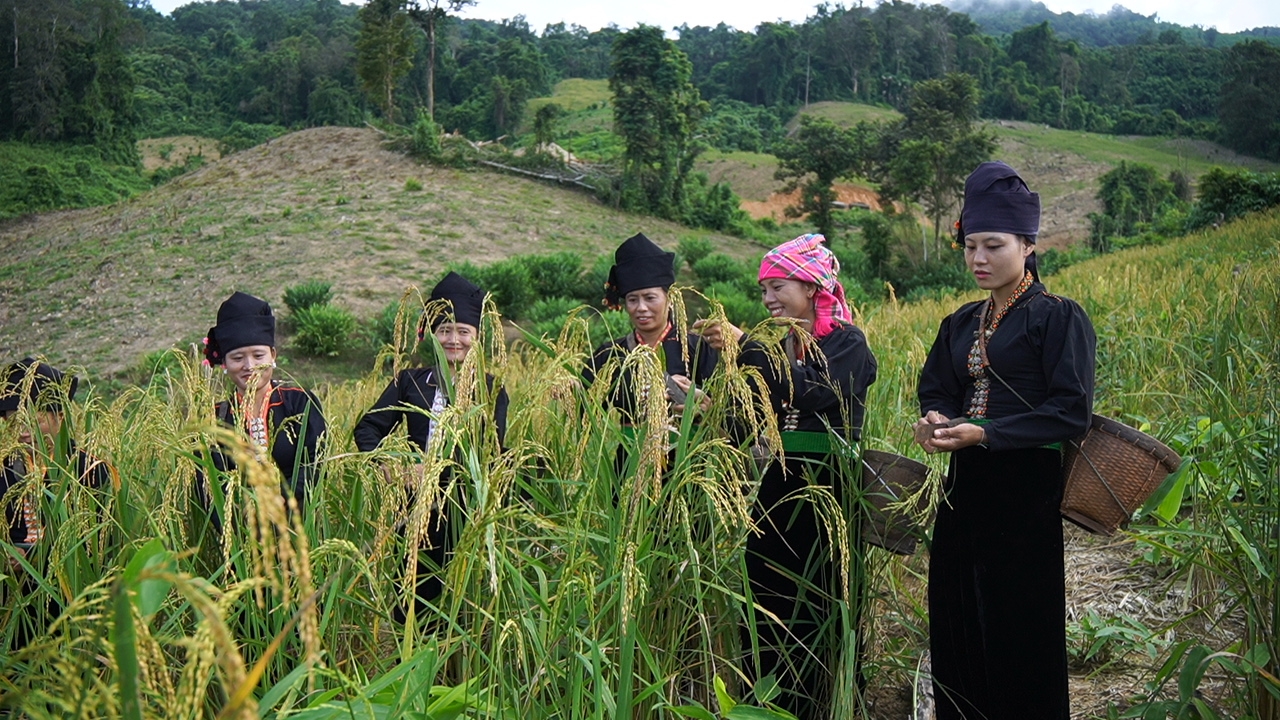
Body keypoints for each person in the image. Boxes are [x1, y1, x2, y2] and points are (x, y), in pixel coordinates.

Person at [914, 161, 1096, 720]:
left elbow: (1070, 411)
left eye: (993, 246)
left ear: (1029, 245)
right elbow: (936, 387)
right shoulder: (960, 322)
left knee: (1019, 624)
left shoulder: (1057, 317)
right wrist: (935, 423)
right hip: (963, 486)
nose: (979, 260)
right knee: (956, 615)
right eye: (971, 247)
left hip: (1024, 491)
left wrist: (987, 433)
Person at [697, 233, 878, 719]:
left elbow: (817, 394)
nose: (768, 300)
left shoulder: (848, 344)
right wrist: (712, 402)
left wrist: (749, 346)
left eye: (778, 287)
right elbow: (752, 418)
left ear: (813, 286)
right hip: (777, 487)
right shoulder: (780, 348)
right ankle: (771, 697)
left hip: (826, 488)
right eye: (764, 291)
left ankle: (824, 700)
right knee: (765, 591)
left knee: (820, 595)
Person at [353, 271, 508, 615]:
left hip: (467, 509)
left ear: (477, 337)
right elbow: (368, 428)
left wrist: (447, 471)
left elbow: (492, 450)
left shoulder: (491, 388)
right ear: (433, 336)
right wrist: (391, 464)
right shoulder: (410, 381)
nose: (454, 339)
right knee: (410, 598)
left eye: (463, 332)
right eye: (445, 331)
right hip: (412, 508)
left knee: (462, 600)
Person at [1, 358, 115, 646]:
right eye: (14, 419)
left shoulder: (91, 471)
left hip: (77, 600)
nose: (24, 430)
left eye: (35, 418)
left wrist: (44, 554)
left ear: (60, 416)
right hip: (16, 605)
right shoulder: (4, 471)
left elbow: (104, 541)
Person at [203, 292, 326, 509]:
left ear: (273, 355)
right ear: (224, 363)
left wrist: (282, 501)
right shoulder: (215, 417)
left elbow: (316, 461)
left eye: (258, 356)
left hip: (300, 524)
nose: (249, 366)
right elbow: (207, 484)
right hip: (241, 531)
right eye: (237, 358)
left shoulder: (299, 401)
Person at [585, 232, 718, 424]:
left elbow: (726, 416)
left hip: (688, 452)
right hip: (630, 452)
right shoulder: (610, 354)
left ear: (670, 299)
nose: (641, 308)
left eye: (650, 298)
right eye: (632, 300)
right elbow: (584, 411)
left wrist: (703, 407)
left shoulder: (698, 348)